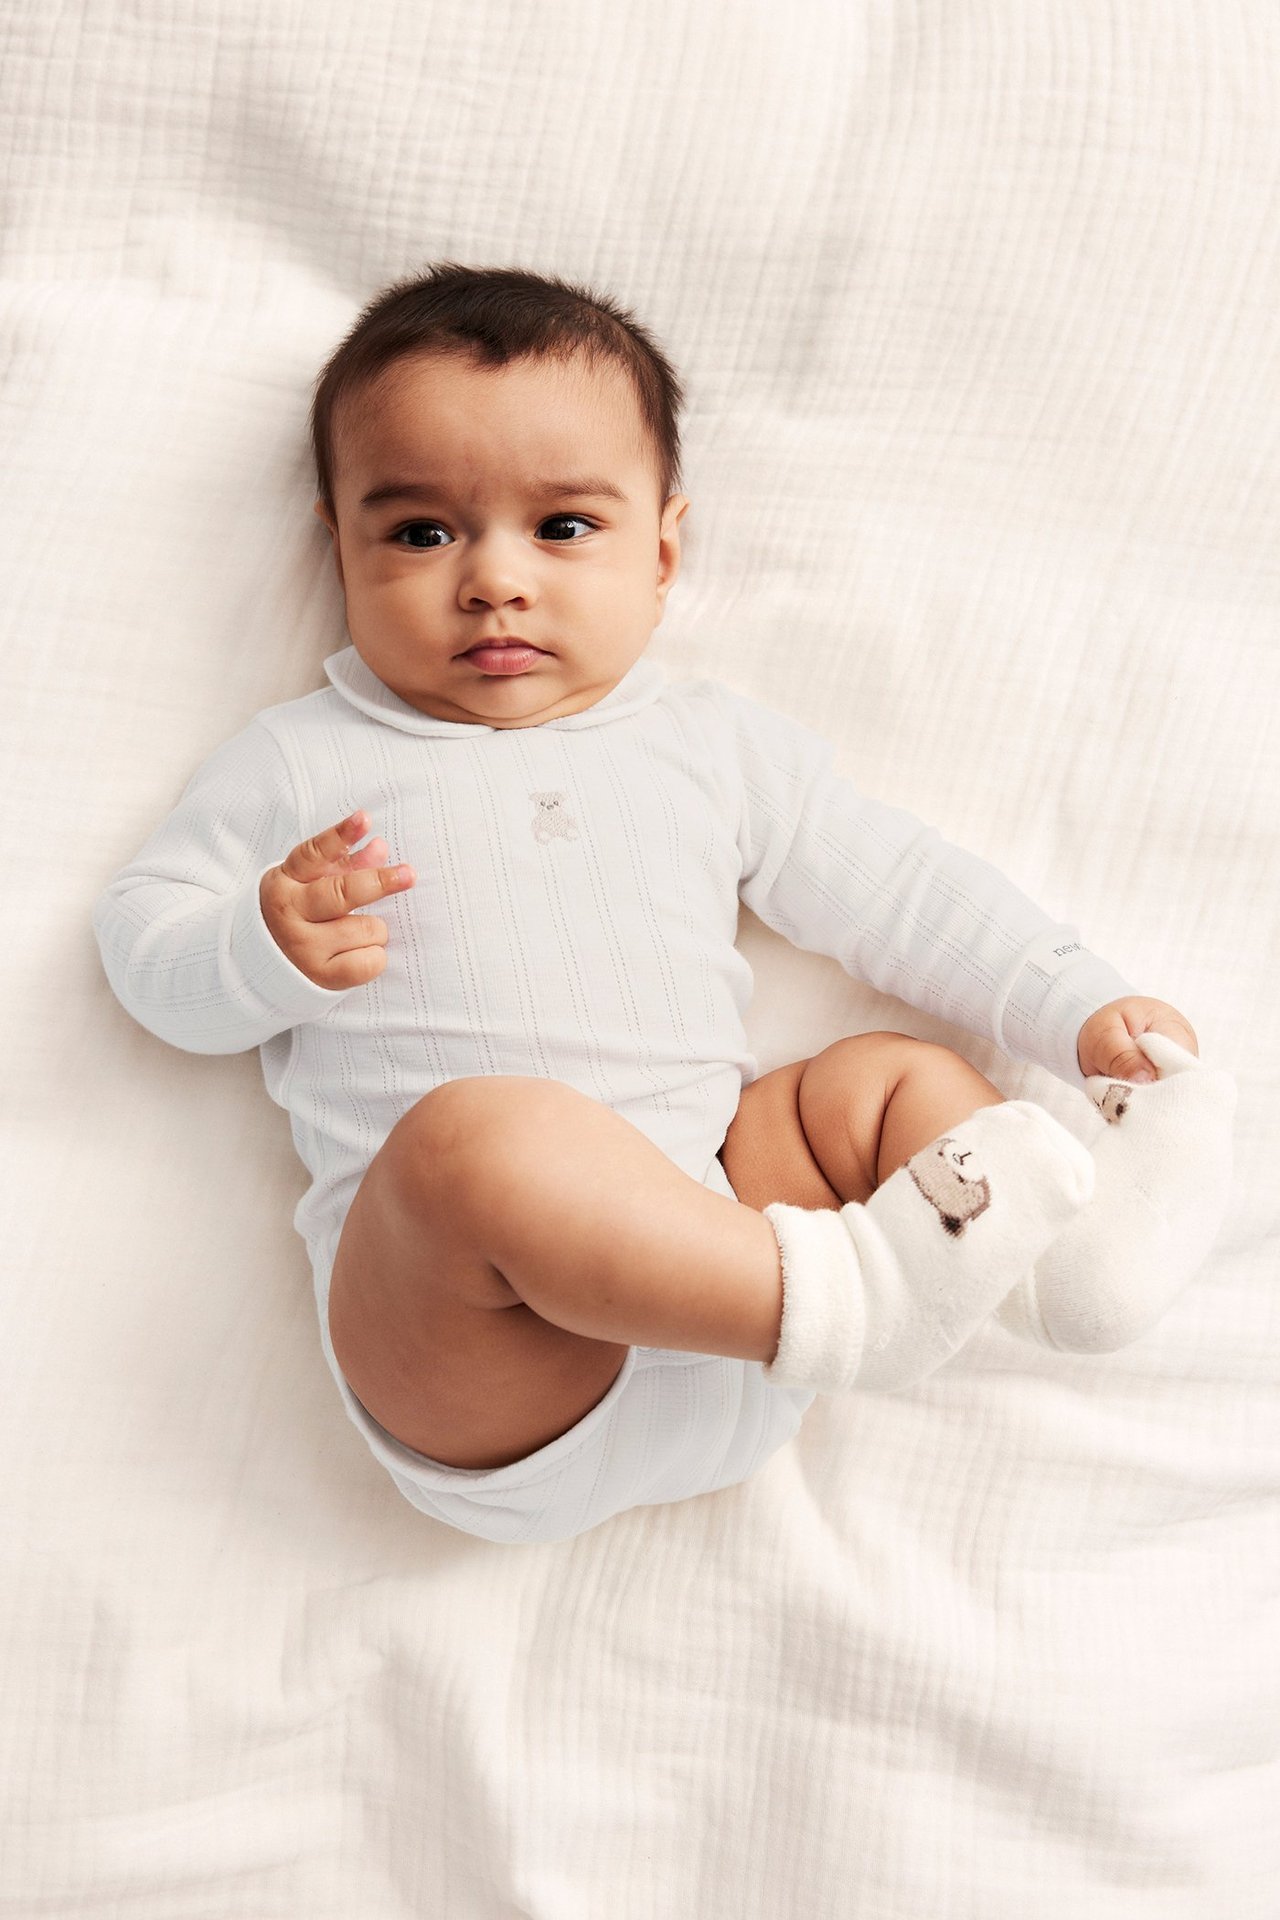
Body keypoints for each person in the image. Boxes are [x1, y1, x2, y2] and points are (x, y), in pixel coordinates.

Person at [93, 263, 1235, 1545]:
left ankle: (1064, 1269)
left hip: (734, 1286)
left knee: (871, 1080)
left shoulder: (707, 745)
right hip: (494, 1377)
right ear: (338, 544)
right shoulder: (302, 759)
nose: (493, 582)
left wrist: (1074, 1005)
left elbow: (901, 889)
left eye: (562, 528)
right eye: (420, 533)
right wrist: (256, 946)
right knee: (472, 1147)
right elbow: (142, 941)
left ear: (663, 552)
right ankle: (857, 1296)